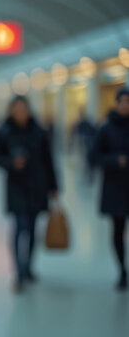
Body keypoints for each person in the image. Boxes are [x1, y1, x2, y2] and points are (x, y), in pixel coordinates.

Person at [0, 96, 58, 293]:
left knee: (31, 228)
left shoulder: (39, 132)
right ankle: (19, 270)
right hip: (16, 187)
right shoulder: (5, 132)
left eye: (23, 108)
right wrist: (11, 162)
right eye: (17, 109)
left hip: (37, 186)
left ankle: (28, 265)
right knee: (20, 226)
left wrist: (54, 186)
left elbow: (49, 161)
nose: (20, 112)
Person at [90, 88, 129, 291]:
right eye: (122, 101)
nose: (125, 105)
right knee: (118, 231)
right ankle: (122, 269)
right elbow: (94, 156)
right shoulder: (106, 129)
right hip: (115, 187)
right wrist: (116, 160)